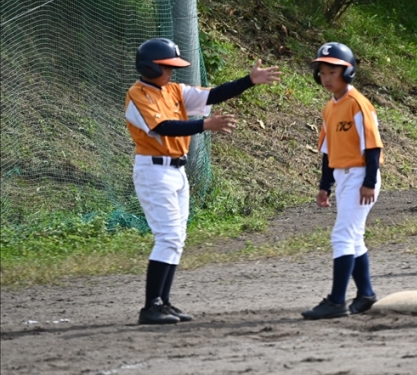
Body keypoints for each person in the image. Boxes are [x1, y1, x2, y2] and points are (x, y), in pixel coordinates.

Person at [126, 38, 281, 324]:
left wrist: (249, 80)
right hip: (153, 172)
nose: (171, 71)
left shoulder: (174, 90)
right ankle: (150, 307)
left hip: (177, 171)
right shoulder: (138, 94)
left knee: (177, 238)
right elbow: (164, 127)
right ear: (150, 67)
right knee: (168, 237)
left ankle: (163, 303)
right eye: (166, 67)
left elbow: (213, 95)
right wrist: (204, 125)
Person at [301, 42, 384, 320]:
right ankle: (366, 294)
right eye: (323, 72)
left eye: (333, 72)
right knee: (353, 238)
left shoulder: (358, 104)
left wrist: (369, 182)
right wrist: (325, 186)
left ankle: (337, 301)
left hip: (360, 176)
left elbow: (373, 147)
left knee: (342, 236)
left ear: (348, 73)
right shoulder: (329, 108)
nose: (327, 78)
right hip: (343, 177)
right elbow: (327, 152)